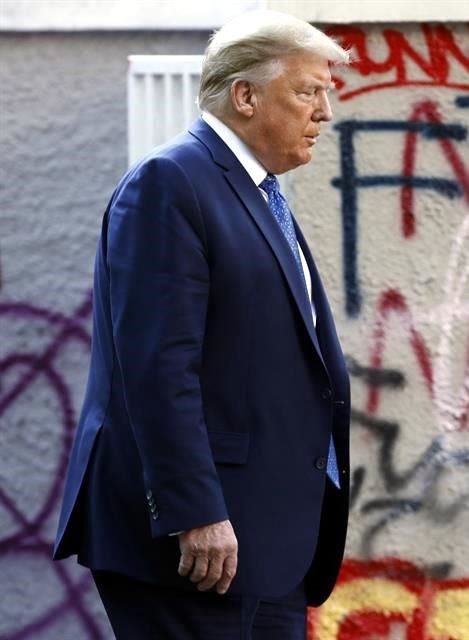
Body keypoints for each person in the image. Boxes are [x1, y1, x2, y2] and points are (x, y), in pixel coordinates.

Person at [53, 10, 352, 638]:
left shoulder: (256, 192)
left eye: (326, 92)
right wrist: (195, 512)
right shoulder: (171, 183)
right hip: (199, 550)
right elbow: (158, 368)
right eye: (308, 91)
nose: (324, 111)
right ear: (245, 95)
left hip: (264, 544)